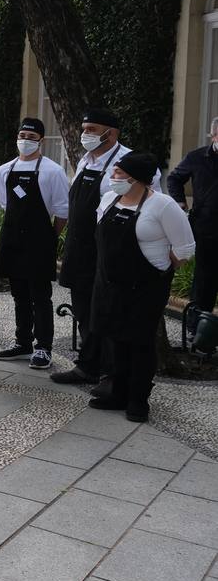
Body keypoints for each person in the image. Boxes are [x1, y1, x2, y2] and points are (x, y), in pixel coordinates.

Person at [51, 108, 162, 389]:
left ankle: (111, 374)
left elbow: (152, 206)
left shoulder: (132, 163)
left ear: (110, 133)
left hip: (111, 253)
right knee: (84, 311)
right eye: (84, 128)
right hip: (80, 248)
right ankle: (88, 365)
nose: (85, 134)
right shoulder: (86, 160)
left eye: (91, 129)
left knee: (109, 313)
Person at [90, 153, 193, 421]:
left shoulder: (162, 205)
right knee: (116, 339)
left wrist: (159, 268)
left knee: (140, 343)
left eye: (119, 173)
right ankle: (117, 393)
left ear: (137, 178)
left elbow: (185, 249)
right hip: (110, 284)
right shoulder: (109, 199)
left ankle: (138, 400)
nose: (113, 177)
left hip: (145, 286)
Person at [0, 118, 70, 370]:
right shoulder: (4, 170)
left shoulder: (52, 171)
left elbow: (62, 211)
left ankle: (43, 347)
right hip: (13, 238)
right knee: (19, 295)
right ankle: (22, 341)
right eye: (22, 134)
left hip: (39, 240)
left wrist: (49, 237)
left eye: (31, 136)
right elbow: (6, 205)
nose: (25, 140)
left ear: (41, 141)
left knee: (41, 297)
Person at [166, 117, 218, 317]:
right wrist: (180, 202)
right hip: (206, 226)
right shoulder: (196, 157)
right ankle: (197, 324)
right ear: (213, 136)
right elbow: (174, 178)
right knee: (205, 277)